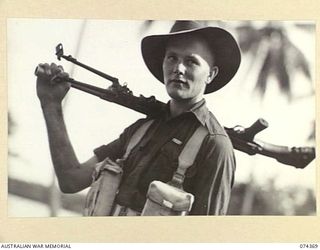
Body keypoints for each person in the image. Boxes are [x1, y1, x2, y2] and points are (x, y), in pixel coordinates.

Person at [36, 20, 241, 215]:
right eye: (172, 58)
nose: (178, 68)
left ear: (211, 74)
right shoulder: (142, 129)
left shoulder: (215, 145)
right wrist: (51, 104)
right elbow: (71, 180)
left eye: (191, 61)